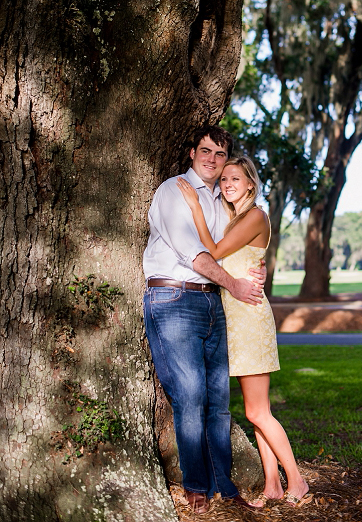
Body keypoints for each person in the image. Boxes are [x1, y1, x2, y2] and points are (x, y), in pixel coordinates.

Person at [177, 155, 311, 508]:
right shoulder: (238, 217)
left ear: (251, 183)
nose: (227, 184)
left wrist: (193, 206)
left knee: (258, 412)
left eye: (235, 178)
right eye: (224, 180)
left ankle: (296, 479)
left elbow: (215, 251)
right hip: (233, 317)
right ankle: (272, 485)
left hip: (249, 317)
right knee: (256, 410)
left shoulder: (255, 215)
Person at [143, 125, 263, 514]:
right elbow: (194, 254)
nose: (212, 160)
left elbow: (235, 247)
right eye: (206, 151)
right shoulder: (174, 190)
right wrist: (237, 285)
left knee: (219, 403)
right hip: (174, 298)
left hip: (213, 303)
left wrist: (254, 273)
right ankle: (196, 485)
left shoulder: (221, 199)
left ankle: (224, 485)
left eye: (220, 154)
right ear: (192, 152)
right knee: (191, 397)